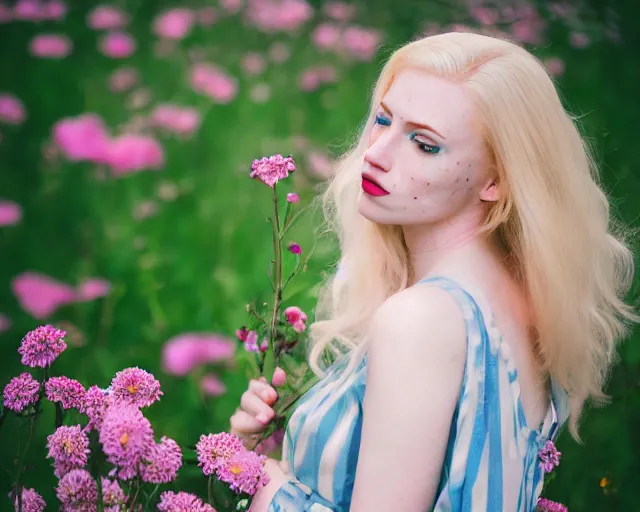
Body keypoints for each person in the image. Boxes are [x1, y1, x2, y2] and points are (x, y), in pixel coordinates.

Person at [230, 30, 637, 511]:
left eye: (424, 144)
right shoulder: (518, 305)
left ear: (495, 182)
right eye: (383, 119)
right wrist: (260, 445)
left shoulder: (421, 320)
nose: (377, 152)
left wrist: (267, 488)